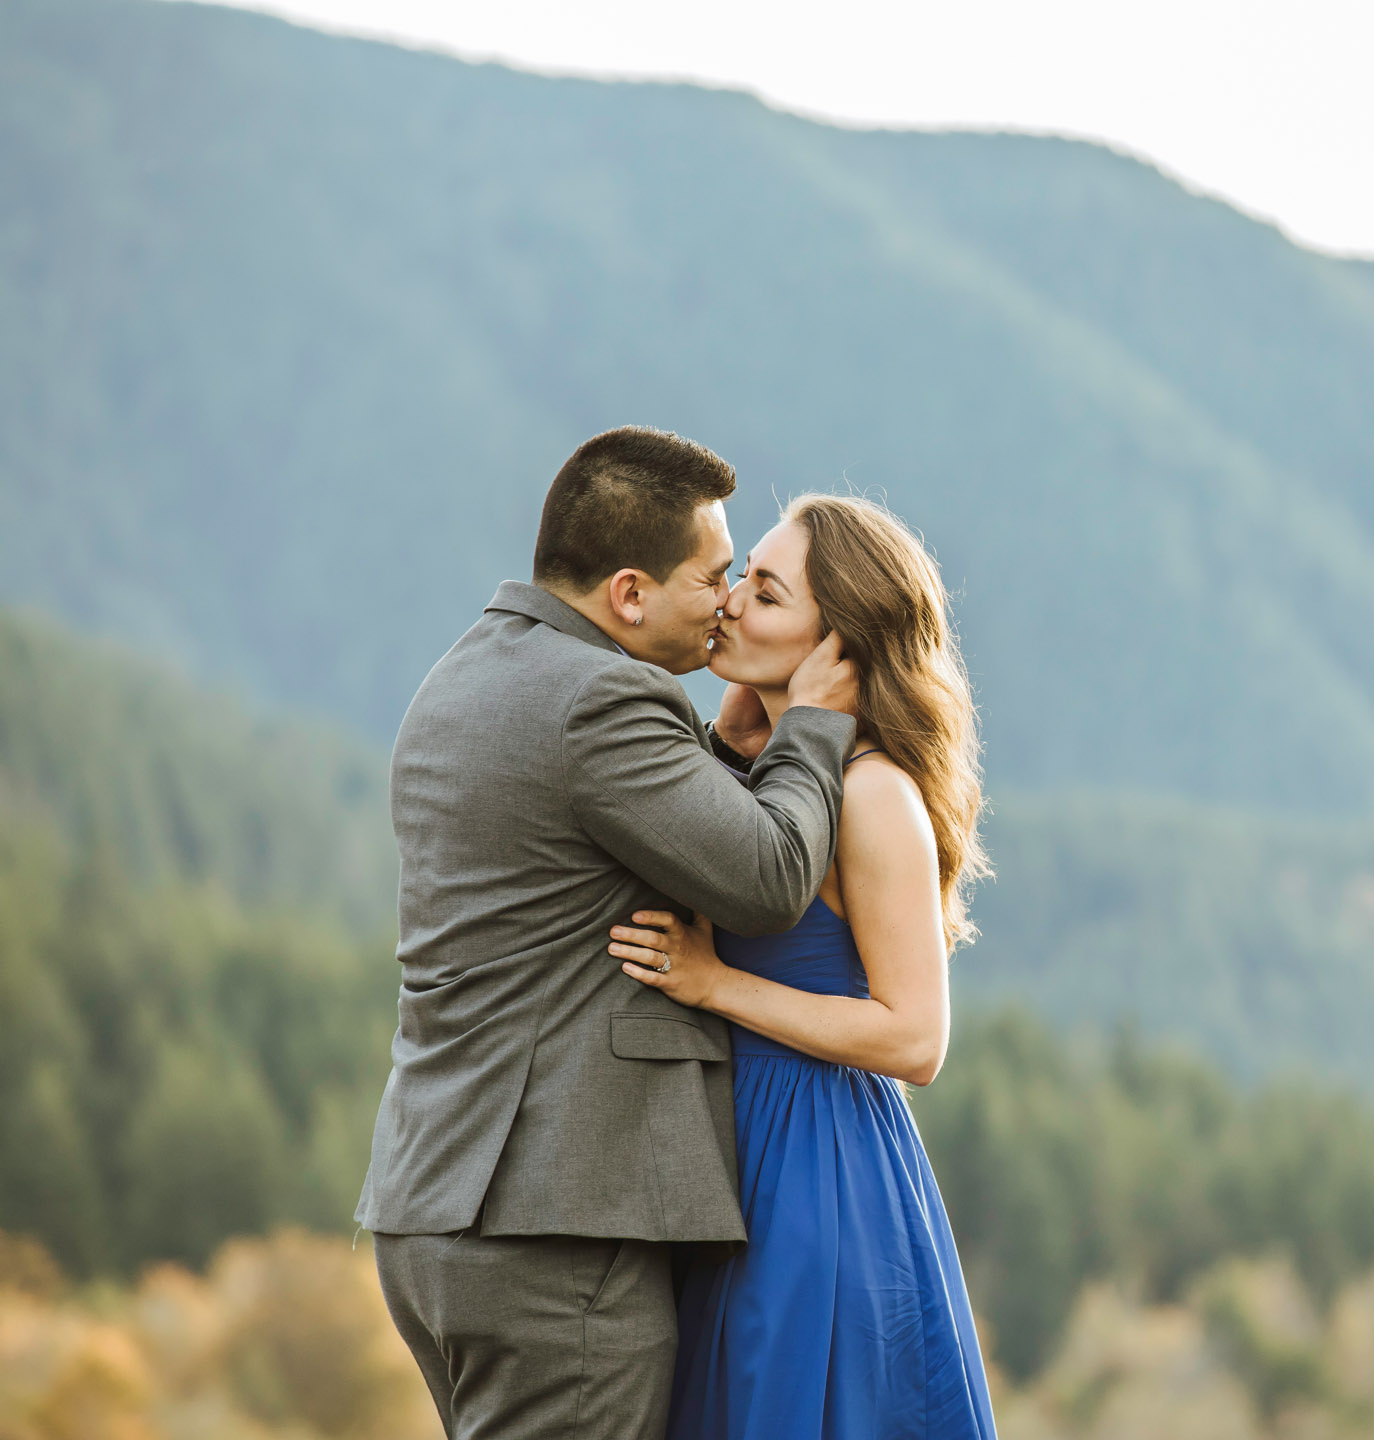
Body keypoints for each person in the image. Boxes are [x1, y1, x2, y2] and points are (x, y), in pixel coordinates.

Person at [358, 428, 859, 1440]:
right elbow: (765, 878)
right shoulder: (605, 699)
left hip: (435, 1207)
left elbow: (604, 835)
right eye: (714, 578)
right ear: (630, 594)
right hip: (557, 1230)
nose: (728, 601)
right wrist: (813, 724)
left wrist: (725, 746)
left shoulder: (464, 676)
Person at [608, 494, 998, 1440]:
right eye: (743, 577)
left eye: (768, 594)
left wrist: (713, 984)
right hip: (731, 1157)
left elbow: (915, 1036)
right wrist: (748, 736)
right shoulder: (757, 772)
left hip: (820, 1173)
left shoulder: (874, 794)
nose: (731, 602)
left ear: (839, 649)